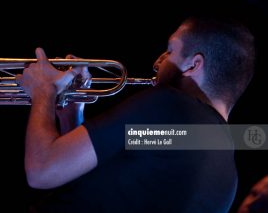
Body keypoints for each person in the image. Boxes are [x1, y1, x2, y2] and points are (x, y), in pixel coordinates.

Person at [16, 16, 256, 213]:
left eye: (170, 51)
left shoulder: (168, 106)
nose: (157, 62)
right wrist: (72, 114)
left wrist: (43, 91)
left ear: (193, 65)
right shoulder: (226, 175)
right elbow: (92, 185)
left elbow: (42, 170)